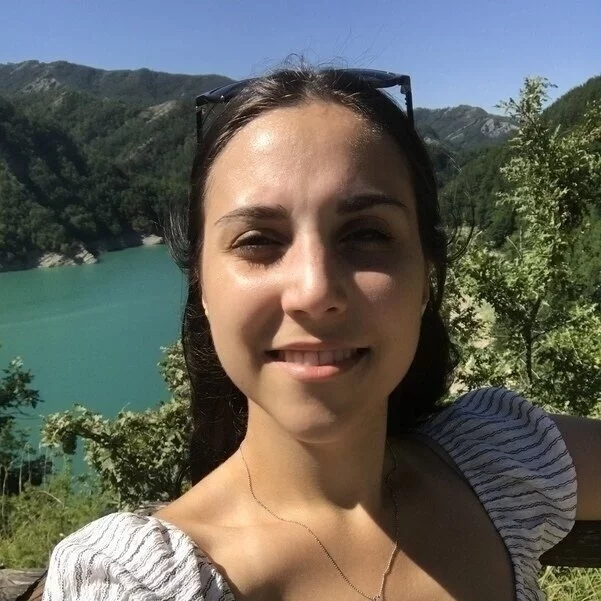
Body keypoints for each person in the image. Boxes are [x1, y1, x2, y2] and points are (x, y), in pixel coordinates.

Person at [43, 65, 600, 601]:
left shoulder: (499, 463)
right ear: (203, 288)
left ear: (426, 278)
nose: (314, 291)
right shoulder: (136, 584)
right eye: (258, 240)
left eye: (367, 234)